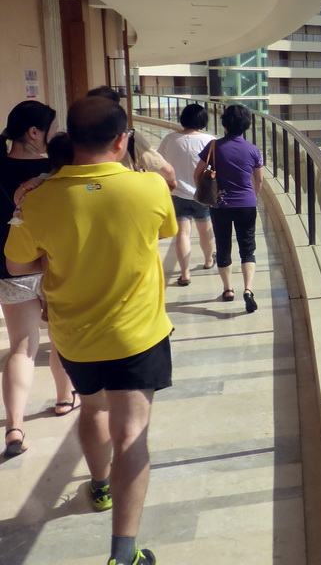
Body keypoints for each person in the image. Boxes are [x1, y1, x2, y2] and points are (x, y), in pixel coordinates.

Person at [6, 96, 177, 565]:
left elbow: (19, 264)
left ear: (69, 140)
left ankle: (99, 487)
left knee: (93, 409)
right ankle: (124, 554)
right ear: (122, 140)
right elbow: (163, 232)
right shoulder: (149, 190)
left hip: (75, 335)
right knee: (133, 432)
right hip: (138, 335)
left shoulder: (37, 199)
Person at [0, 101, 76, 459]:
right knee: (59, 338)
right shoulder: (56, 169)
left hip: (9, 266)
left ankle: (15, 426)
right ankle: (64, 398)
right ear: (34, 132)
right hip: (53, 264)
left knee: (22, 347)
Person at [194, 104, 263, 312]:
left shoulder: (214, 146)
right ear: (246, 127)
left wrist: (204, 194)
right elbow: (259, 180)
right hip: (246, 204)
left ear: (224, 125)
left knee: (223, 247)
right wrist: (253, 196)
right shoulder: (252, 150)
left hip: (220, 205)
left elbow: (197, 174)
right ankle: (248, 290)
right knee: (247, 247)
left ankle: (228, 290)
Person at [157, 104, 215, 286]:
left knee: (183, 233)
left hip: (177, 193)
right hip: (202, 194)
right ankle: (208, 261)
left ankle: (184, 273)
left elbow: (160, 164)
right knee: (205, 231)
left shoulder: (170, 139)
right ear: (204, 120)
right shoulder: (210, 140)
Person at [86, 86, 177, 192]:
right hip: (126, 195)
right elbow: (167, 171)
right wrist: (171, 184)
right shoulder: (130, 138)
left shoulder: (78, 139)